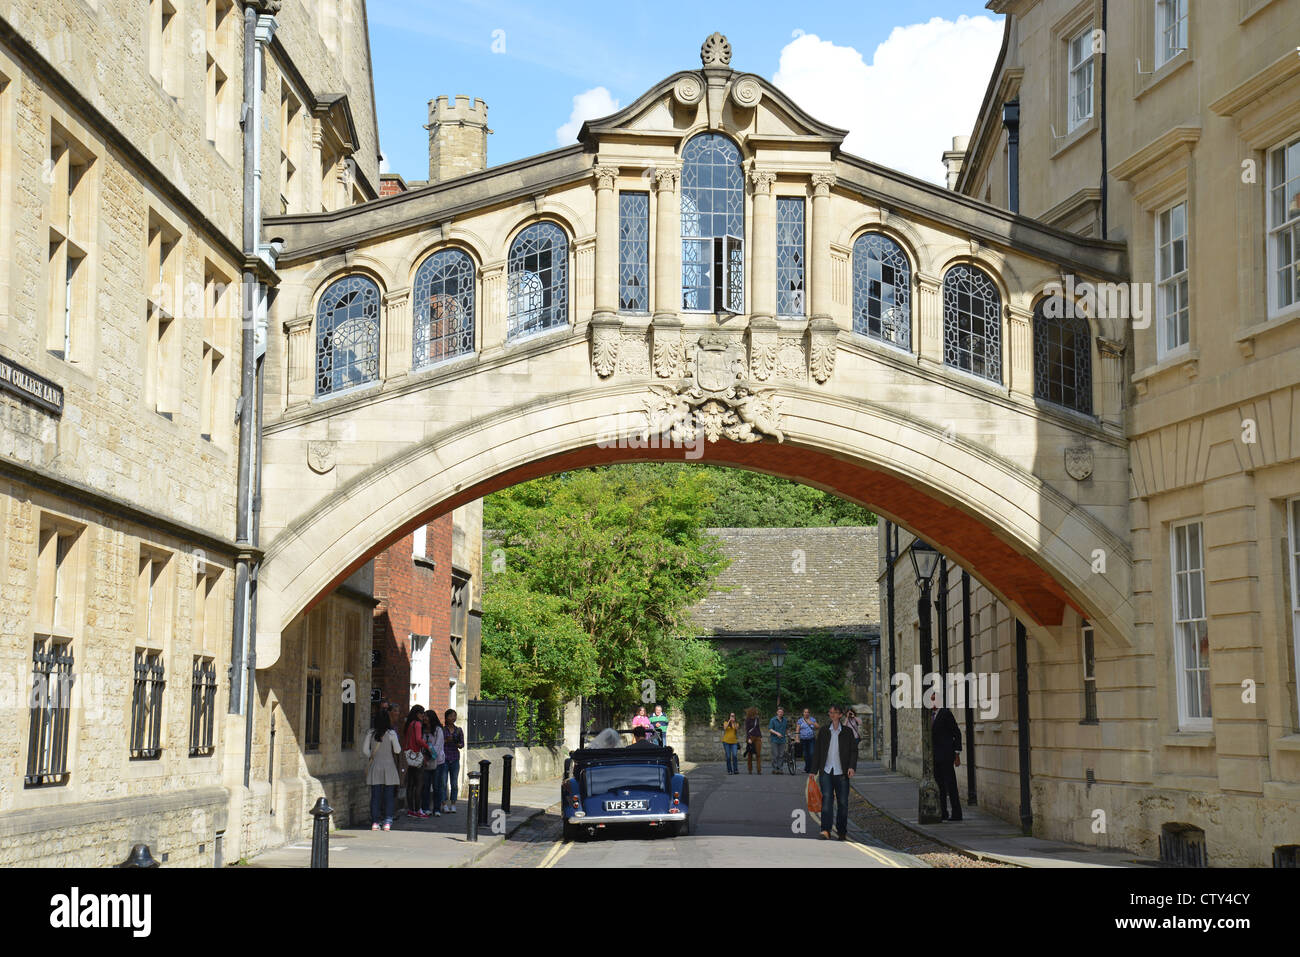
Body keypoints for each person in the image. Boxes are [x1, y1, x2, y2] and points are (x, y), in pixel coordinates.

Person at [812, 704, 858, 840]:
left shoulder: (848, 732)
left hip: (842, 771)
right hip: (826, 770)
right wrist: (813, 771)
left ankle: (842, 831)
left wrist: (851, 767)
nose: (832, 714)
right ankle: (825, 830)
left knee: (843, 802)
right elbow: (818, 751)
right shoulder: (824, 731)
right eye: (830, 712)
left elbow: (854, 751)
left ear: (840, 715)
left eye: (835, 712)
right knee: (826, 799)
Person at [363, 711, 402, 830]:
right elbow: (397, 750)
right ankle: (387, 821)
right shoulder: (391, 733)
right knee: (389, 796)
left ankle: (375, 821)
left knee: (375, 796)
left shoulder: (370, 733)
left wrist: (373, 756)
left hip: (375, 766)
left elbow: (365, 750)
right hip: (389, 767)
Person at [930, 702, 964, 822]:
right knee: (939, 786)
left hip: (946, 755)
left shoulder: (945, 713)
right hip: (935, 757)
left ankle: (956, 813)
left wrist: (957, 753)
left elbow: (956, 733)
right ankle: (943, 812)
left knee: (951, 785)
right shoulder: (930, 715)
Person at [403, 705, 427, 818]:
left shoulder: (409, 724)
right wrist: (427, 746)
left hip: (409, 757)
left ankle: (410, 810)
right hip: (417, 756)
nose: (423, 715)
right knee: (419, 785)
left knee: (410, 785)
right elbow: (418, 739)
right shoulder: (417, 724)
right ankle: (418, 810)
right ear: (417, 714)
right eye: (422, 713)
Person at [421, 710, 445, 817]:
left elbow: (438, 746)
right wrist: (423, 757)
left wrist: (429, 755)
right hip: (425, 762)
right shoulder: (422, 729)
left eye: (426, 716)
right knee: (425, 786)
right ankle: (425, 807)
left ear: (431, 717)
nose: (424, 718)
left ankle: (436, 809)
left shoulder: (438, 730)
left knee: (437, 786)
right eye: (424, 716)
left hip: (438, 761)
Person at [441, 709, 464, 813]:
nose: (453, 718)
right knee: (443, 783)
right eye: (451, 716)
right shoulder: (442, 730)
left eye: (454, 716)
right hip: (445, 758)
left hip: (454, 758)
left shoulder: (459, 730)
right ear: (446, 718)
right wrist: (447, 740)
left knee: (454, 783)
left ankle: (453, 804)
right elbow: (439, 742)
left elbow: (462, 744)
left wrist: (458, 744)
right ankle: (444, 804)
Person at [796, 708, 819, 774]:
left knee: (811, 753)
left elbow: (818, 726)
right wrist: (797, 738)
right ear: (803, 713)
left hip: (811, 739)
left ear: (809, 713)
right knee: (805, 755)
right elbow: (797, 729)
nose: (806, 713)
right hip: (803, 739)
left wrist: (812, 723)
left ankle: (812, 768)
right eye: (805, 712)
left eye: (807, 712)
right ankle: (807, 768)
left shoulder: (812, 719)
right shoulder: (800, 720)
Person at [769, 706, 788, 774]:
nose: (780, 713)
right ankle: (774, 768)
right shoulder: (773, 720)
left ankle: (780, 768)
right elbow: (770, 729)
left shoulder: (785, 720)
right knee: (775, 754)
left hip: (782, 740)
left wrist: (789, 735)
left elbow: (786, 729)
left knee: (781, 755)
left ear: (783, 713)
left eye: (782, 712)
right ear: (777, 712)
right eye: (779, 712)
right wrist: (777, 733)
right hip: (774, 740)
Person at [743, 706, 763, 774]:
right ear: (752, 712)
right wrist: (748, 738)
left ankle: (759, 770)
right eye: (756, 711)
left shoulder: (757, 719)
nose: (757, 712)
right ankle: (750, 769)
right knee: (750, 754)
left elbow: (758, 728)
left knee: (758, 754)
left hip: (757, 737)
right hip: (750, 737)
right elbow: (747, 730)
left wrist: (761, 737)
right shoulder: (747, 719)